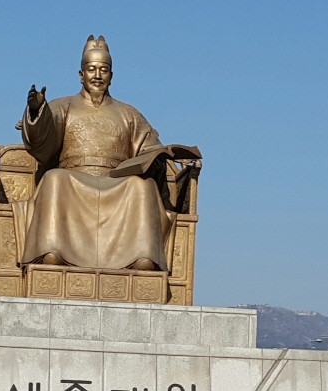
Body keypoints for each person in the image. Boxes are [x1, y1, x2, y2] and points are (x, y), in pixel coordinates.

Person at [17, 35, 199, 271]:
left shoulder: (129, 113)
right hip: (73, 178)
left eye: (103, 70)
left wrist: (161, 157)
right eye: (91, 69)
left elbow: (149, 148)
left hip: (117, 180)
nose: (97, 75)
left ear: (111, 76)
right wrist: (37, 111)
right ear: (81, 75)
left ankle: (141, 257)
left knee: (142, 187)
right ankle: (52, 251)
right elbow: (42, 139)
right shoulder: (63, 106)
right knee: (54, 178)